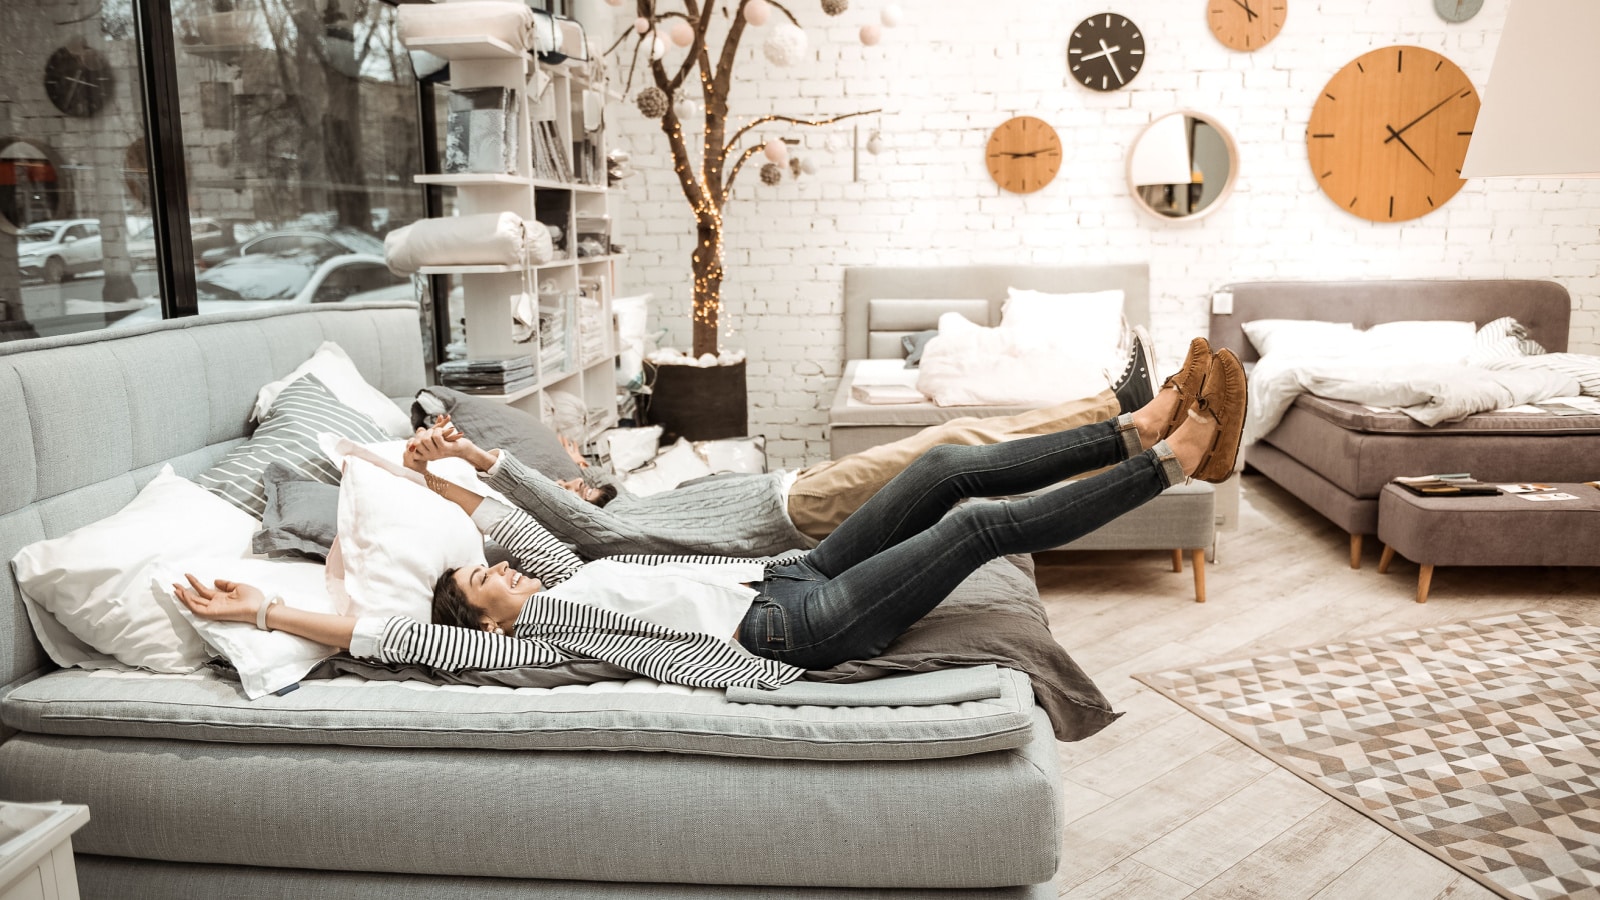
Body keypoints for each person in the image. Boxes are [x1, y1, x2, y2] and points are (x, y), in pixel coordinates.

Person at [172, 338, 1241, 687]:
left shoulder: (558, 577)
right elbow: (379, 631)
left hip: (784, 580)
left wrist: (422, 464)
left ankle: (1134, 429)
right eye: (492, 582)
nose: (509, 572)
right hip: (789, 633)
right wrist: (264, 613)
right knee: (968, 529)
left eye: (501, 570)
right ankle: (1177, 463)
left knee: (930, 476)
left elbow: (496, 517)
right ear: (486, 623)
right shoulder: (530, 643)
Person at [449, 330, 1161, 559]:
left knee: (967, 459)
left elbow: (594, 488)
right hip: (799, 511)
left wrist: (583, 463)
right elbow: (570, 516)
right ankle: (1119, 414)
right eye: (563, 491)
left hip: (802, 488)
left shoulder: (631, 501)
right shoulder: (609, 532)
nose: (572, 486)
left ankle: (1128, 424)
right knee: (959, 444)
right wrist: (477, 461)